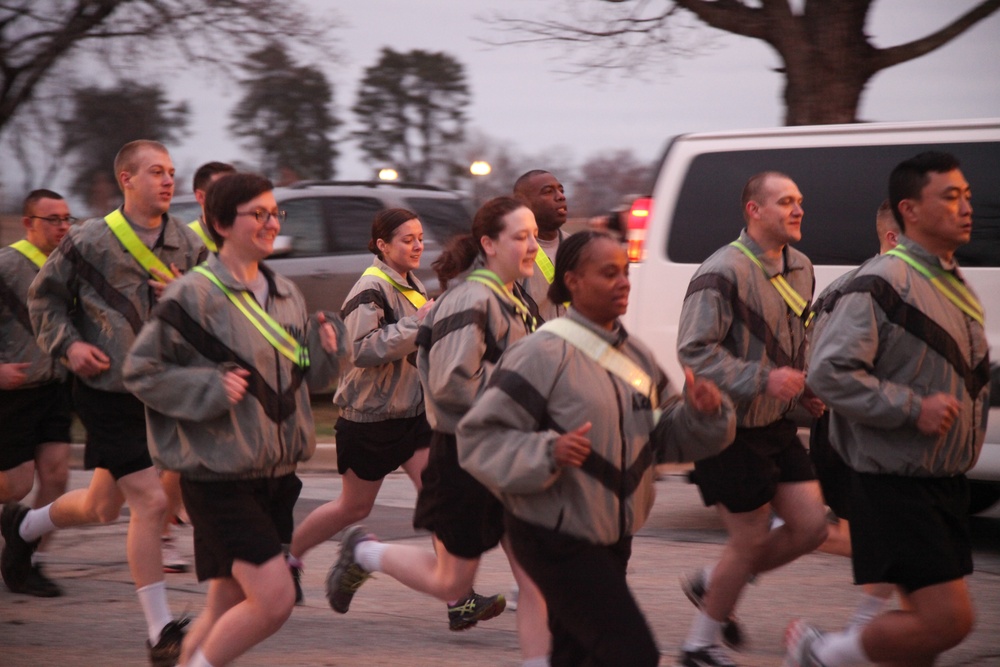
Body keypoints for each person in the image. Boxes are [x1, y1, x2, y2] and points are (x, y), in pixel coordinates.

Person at [456, 230, 735, 666]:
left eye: (625, 272)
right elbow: (479, 437)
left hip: (611, 531)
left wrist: (703, 414)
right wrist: (548, 451)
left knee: (579, 653)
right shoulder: (541, 353)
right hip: (554, 533)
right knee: (632, 652)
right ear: (573, 281)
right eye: (608, 273)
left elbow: (663, 439)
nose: (623, 282)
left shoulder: (639, 356)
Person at [123, 172, 346, 667]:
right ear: (222, 223)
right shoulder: (193, 295)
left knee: (225, 602)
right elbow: (141, 371)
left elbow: (302, 380)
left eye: (275, 214)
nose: (272, 224)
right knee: (273, 601)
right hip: (219, 478)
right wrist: (206, 387)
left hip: (277, 476)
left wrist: (327, 354)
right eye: (259, 215)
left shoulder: (287, 292)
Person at [325, 196, 552, 667]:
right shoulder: (469, 299)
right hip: (468, 459)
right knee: (451, 582)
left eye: (535, 235)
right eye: (521, 236)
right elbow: (451, 386)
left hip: (509, 458)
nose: (534, 246)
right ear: (488, 244)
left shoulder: (518, 297)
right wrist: (525, 403)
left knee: (535, 579)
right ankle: (365, 551)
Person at [5, 140, 205, 666]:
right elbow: (43, 299)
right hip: (104, 390)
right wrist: (69, 344)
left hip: (159, 391)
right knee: (151, 503)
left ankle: (23, 527)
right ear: (126, 179)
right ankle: (160, 631)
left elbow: (215, 308)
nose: (167, 181)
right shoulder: (89, 240)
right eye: (156, 172)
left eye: (171, 172)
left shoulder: (186, 243)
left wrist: (188, 295)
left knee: (101, 506)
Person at [787, 151, 989, 667]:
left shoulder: (951, 282)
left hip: (939, 475)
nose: (967, 206)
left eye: (966, 194)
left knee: (926, 635)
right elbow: (829, 375)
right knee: (947, 621)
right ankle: (824, 653)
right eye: (949, 196)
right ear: (910, 211)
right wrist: (912, 408)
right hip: (895, 478)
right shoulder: (880, 282)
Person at [675, 171, 829, 667]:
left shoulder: (802, 266)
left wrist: (804, 386)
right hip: (725, 425)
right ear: (754, 211)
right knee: (750, 537)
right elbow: (694, 352)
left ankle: (714, 581)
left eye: (800, 200)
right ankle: (698, 646)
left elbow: (794, 339)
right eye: (786, 201)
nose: (798, 209)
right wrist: (763, 379)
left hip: (776, 422)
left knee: (811, 527)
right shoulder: (720, 271)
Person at [287, 208, 434, 603]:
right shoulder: (370, 288)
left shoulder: (409, 281)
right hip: (371, 418)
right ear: (382, 245)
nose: (418, 245)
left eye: (420, 237)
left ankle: (458, 594)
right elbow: (362, 349)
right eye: (407, 239)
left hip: (413, 414)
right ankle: (289, 560)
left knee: (438, 497)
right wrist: (418, 325)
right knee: (352, 508)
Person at [160, 160, 237, 576]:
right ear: (204, 198)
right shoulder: (185, 242)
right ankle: (163, 533)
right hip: (185, 364)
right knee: (182, 456)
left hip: (219, 359)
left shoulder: (230, 237)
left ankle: (178, 523)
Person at [0, 190, 76, 597]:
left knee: (57, 476)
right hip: (14, 392)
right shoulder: (6, 265)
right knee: (13, 487)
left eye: (67, 219)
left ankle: (28, 563)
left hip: (56, 387)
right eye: (52, 219)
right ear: (29, 223)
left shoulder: (69, 266)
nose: (62, 227)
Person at [513, 169, 569, 323]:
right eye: (548, 192)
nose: (560, 196)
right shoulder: (512, 252)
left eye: (561, 190)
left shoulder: (577, 248)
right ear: (524, 203)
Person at [186, 161, 236, 253]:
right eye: (223, 191)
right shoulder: (184, 240)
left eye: (236, 191)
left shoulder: (249, 235)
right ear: (200, 197)